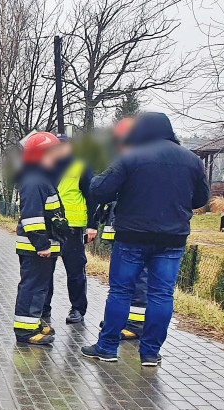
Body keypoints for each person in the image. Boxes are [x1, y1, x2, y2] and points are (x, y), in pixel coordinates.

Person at [82, 112, 210, 365]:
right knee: (162, 295)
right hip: (172, 239)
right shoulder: (192, 160)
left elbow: (99, 191)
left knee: (120, 292)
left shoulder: (131, 157)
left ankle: (107, 348)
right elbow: (201, 199)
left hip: (132, 237)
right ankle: (150, 352)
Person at [94, 117, 148, 341]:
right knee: (124, 281)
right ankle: (122, 320)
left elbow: (100, 188)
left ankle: (135, 324)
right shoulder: (134, 161)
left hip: (137, 234)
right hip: (127, 232)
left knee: (137, 280)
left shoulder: (138, 162)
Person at [13, 131, 67, 346]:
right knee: (32, 288)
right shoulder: (35, 181)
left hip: (42, 247)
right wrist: (42, 244)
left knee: (39, 288)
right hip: (36, 248)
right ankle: (25, 332)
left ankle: (32, 323)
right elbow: (32, 218)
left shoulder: (39, 178)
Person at [53, 134, 97, 324]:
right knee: (44, 271)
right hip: (50, 227)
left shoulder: (81, 166)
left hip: (72, 227)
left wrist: (92, 225)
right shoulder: (48, 166)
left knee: (75, 270)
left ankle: (78, 308)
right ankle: (43, 307)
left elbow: (92, 196)